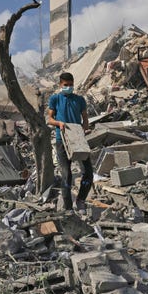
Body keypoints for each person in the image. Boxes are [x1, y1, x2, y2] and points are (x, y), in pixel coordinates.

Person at [47, 72, 93, 211]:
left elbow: (85, 117)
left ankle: (80, 200)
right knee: (66, 175)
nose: (68, 87)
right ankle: (68, 209)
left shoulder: (79, 100)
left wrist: (85, 128)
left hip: (79, 140)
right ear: (60, 85)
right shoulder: (55, 99)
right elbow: (50, 119)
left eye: (71, 85)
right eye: (65, 85)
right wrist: (59, 123)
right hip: (62, 141)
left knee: (88, 173)